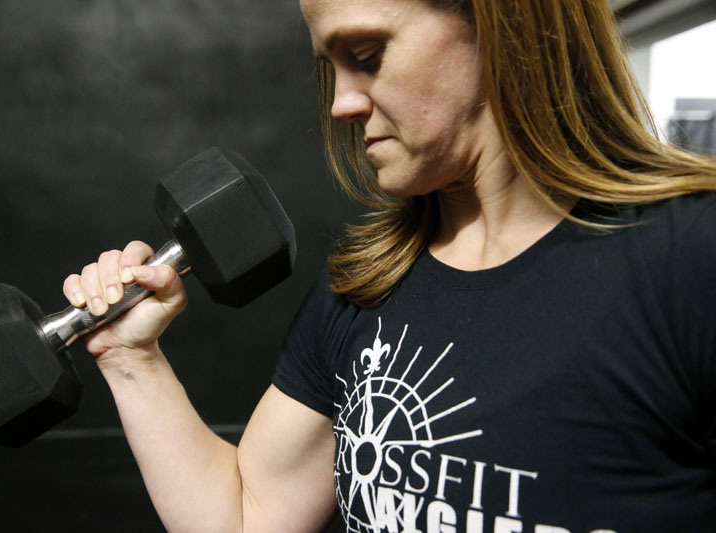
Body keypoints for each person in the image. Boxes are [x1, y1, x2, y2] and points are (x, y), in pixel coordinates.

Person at [62, 0, 716, 531]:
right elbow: (244, 516)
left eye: (367, 56)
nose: (341, 103)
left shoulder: (690, 257)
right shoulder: (365, 285)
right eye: (332, 69)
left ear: (500, 24)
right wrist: (130, 358)